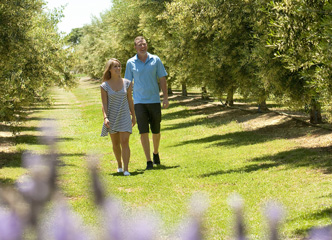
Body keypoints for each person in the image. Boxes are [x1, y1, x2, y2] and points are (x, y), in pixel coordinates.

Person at [124, 36, 169, 170]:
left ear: (147, 45)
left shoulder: (156, 60)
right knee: (143, 131)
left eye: (144, 44)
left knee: (156, 130)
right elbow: (128, 83)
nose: (142, 46)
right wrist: (128, 102)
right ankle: (149, 160)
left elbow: (162, 79)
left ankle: (155, 152)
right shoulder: (130, 63)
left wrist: (165, 97)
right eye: (139, 45)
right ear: (135, 47)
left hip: (154, 100)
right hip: (139, 102)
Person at [101, 58, 136, 176]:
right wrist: (105, 117)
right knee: (115, 144)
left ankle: (126, 169)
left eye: (119, 66)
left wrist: (134, 116)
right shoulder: (104, 86)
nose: (118, 68)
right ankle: (119, 165)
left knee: (125, 141)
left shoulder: (127, 83)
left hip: (124, 115)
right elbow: (104, 103)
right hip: (112, 116)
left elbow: (130, 100)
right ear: (109, 69)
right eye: (115, 66)